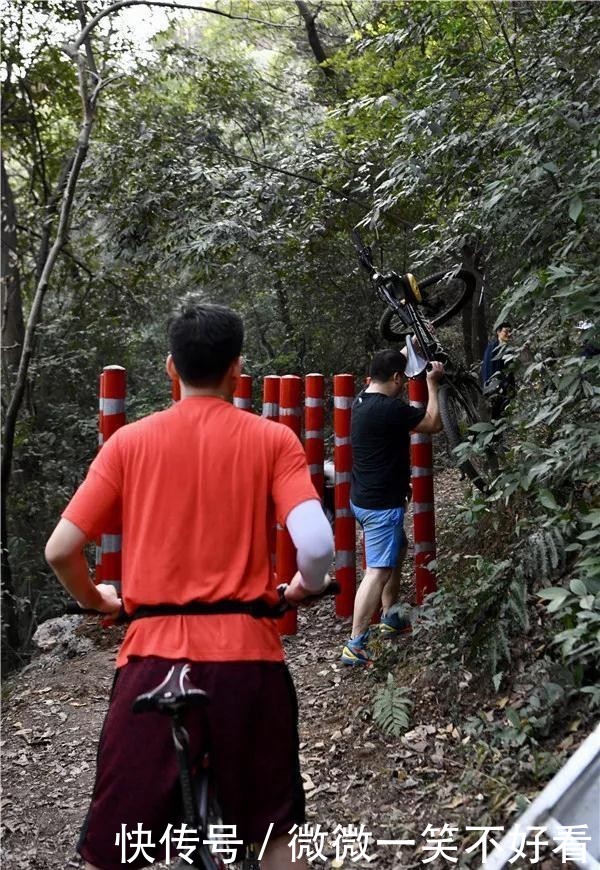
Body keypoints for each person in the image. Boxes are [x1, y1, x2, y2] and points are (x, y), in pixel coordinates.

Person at [45, 300, 334, 870]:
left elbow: (60, 549)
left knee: (112, 849)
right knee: (278, 834)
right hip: (248, 660)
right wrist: (304, 585)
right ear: (237, 369)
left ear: (170, 368)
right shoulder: (273, 440)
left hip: (152, 660)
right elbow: (319, 545)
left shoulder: (128, 444)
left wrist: (97, 599)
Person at [340, 348, 444, 666]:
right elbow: (432, 423)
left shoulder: (361, 401)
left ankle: (390, 616)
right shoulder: (390, 410)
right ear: (397, 379)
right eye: (403, 378)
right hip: (381, 507)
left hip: (364, 498)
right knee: (378, 570)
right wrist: (433, 385)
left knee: (397, 550)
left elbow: (388, 365)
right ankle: (355, 644)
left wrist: (408, 347)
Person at [481, 322, 514, 417]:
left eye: (510, 332)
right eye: (506, 331)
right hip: (495, 389)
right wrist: (492, 387)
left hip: (506, 389)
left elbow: (510, 370)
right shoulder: (492, 347)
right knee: (496, 416)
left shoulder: (509, 349)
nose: (508, 334)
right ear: (498, 332)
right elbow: (488, 368)